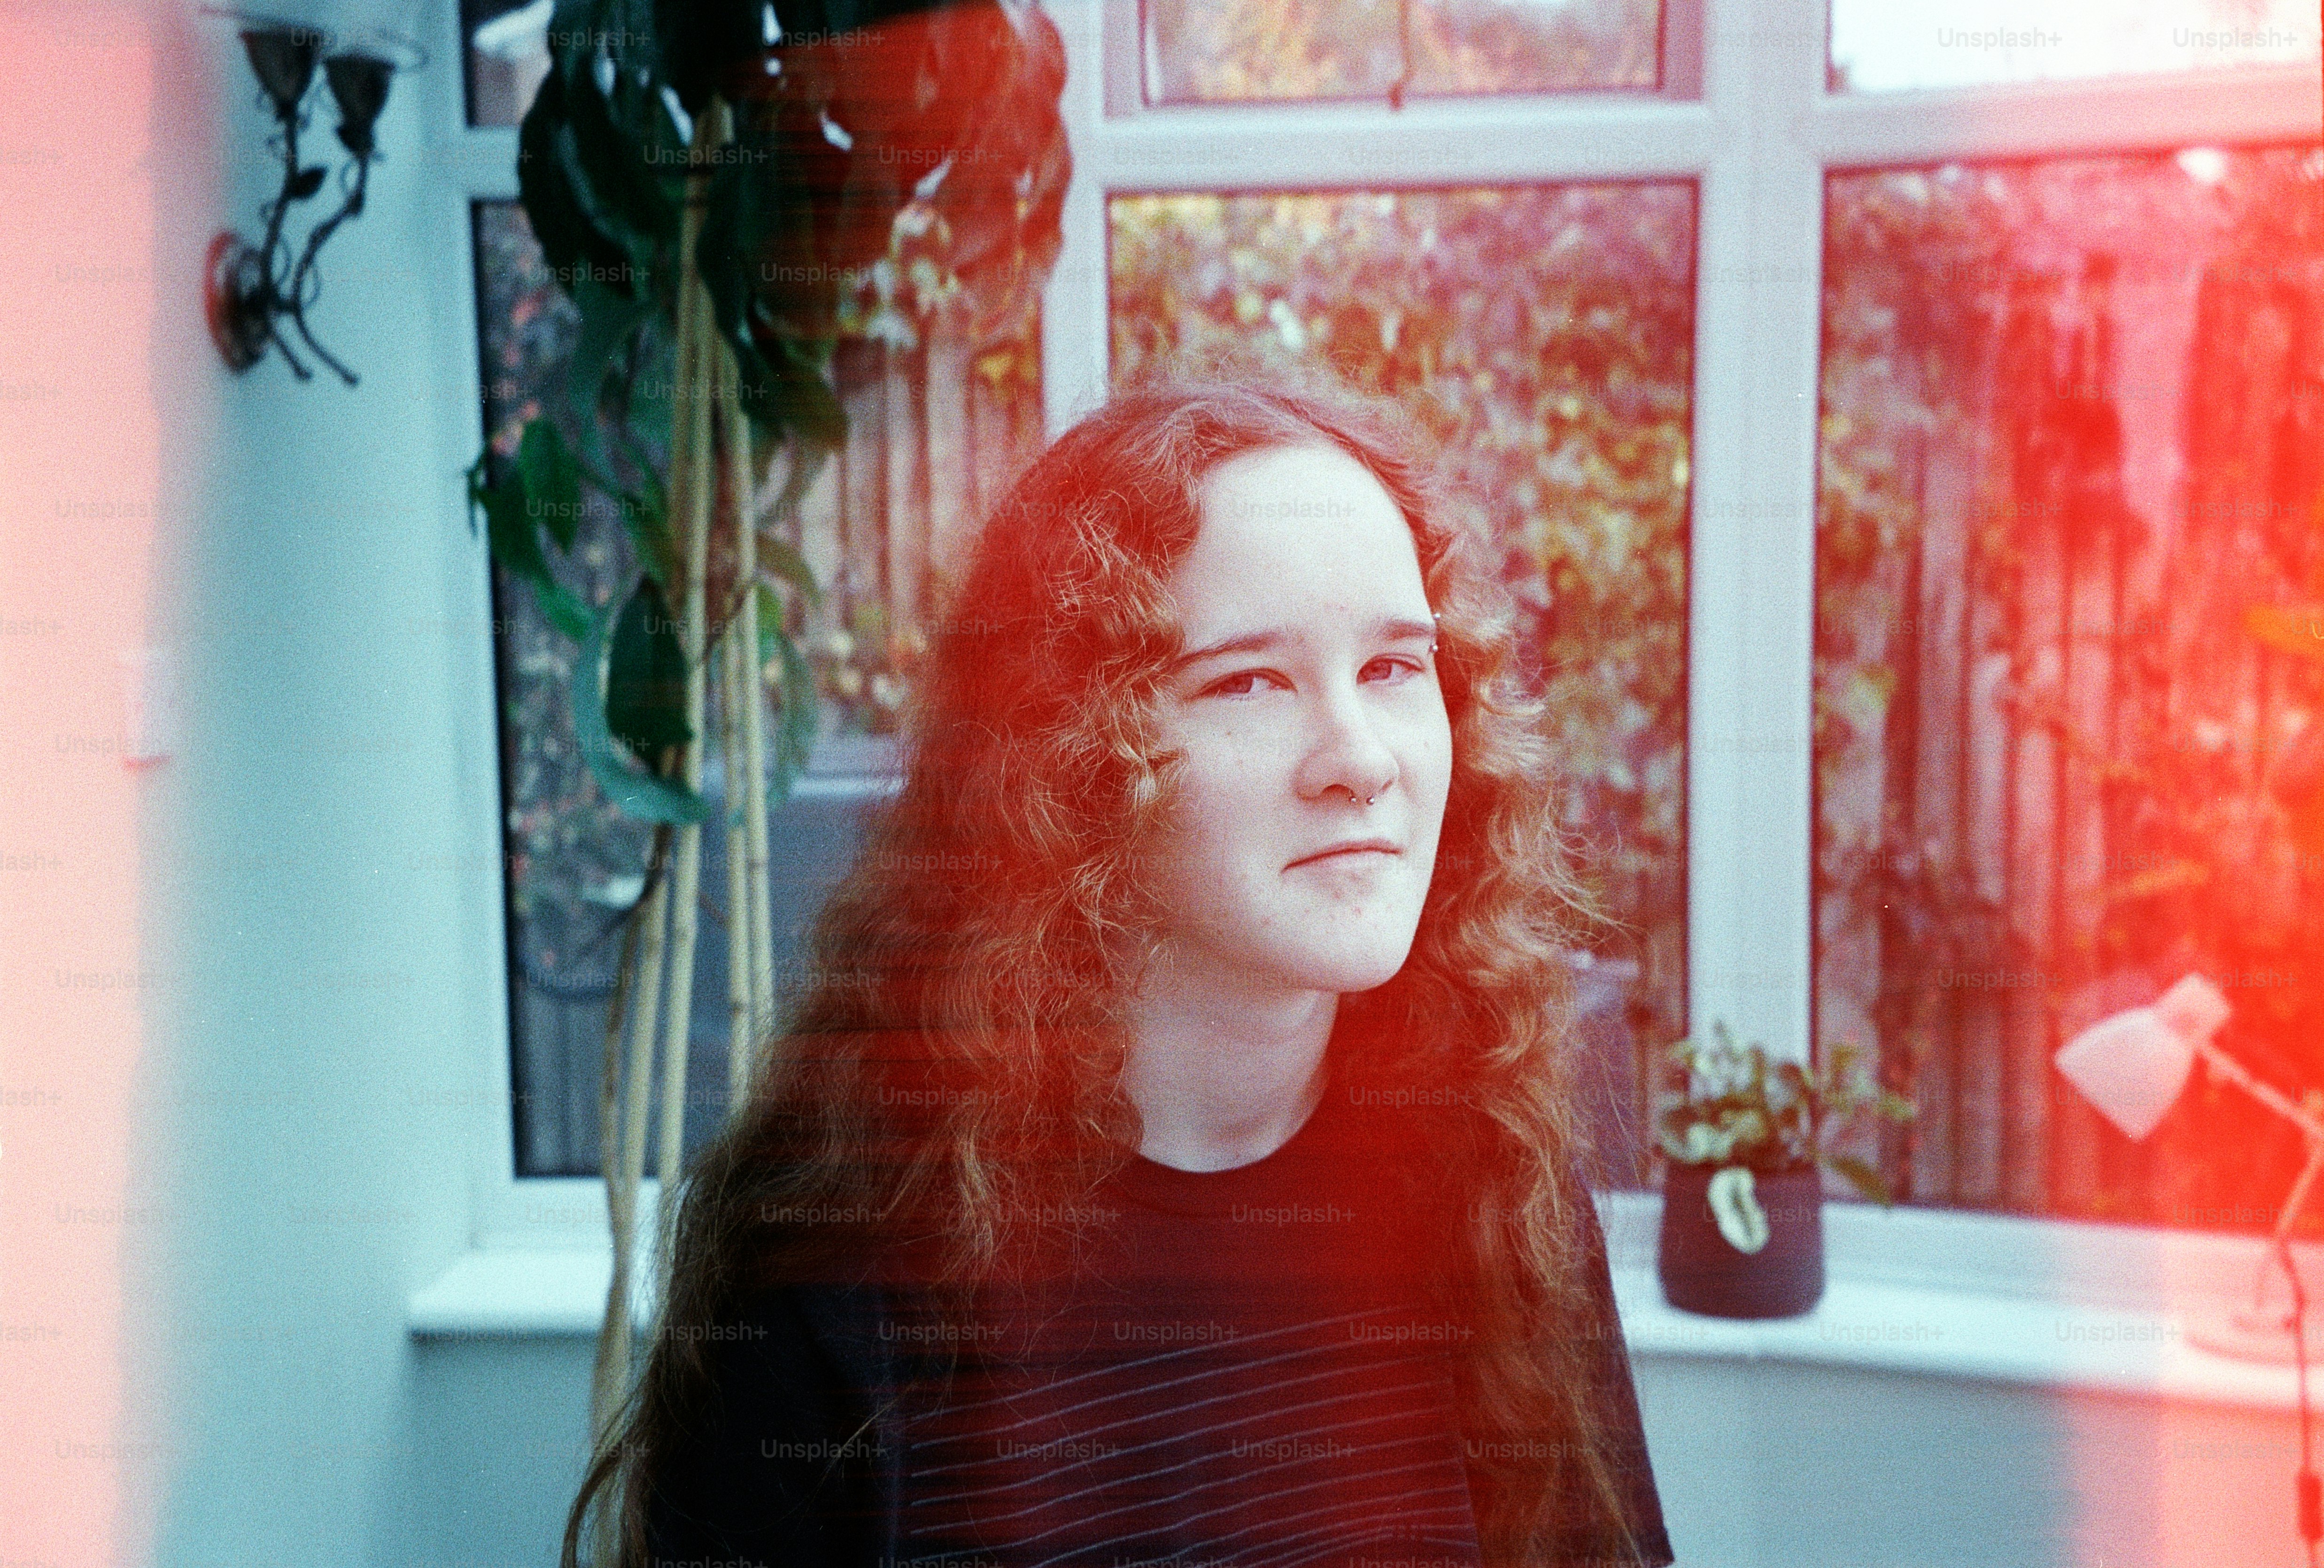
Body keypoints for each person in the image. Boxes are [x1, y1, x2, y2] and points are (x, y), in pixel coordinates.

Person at [561, 371, 1674, 1568]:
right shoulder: (828, 1274)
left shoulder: (1494, 1172)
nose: (1357, 757)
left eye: (1396, 668)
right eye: (1248, 679)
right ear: (1069, 760)